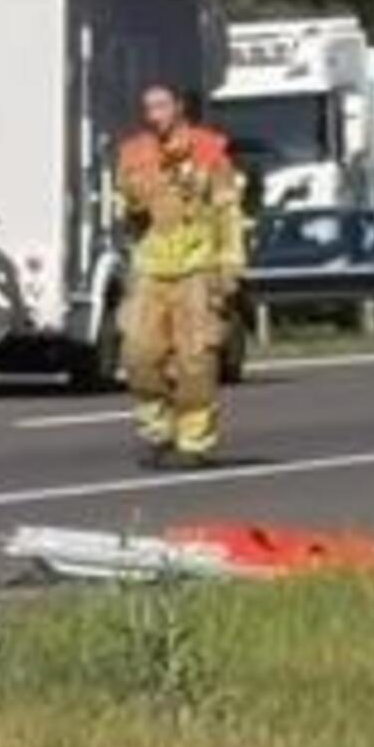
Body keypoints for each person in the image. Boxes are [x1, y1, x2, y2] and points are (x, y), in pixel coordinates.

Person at [114, 85, 244, 468]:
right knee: (139, 354)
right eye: (147, 108)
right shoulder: (135, 153)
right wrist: (131, 200)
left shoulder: (210, 151)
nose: (153, 115)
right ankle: (158, 431)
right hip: (151, 266)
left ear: (179, 108)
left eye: (161, 106)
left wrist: (230, 265)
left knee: (195, 358)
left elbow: (228, 212)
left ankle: (193, 441)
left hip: (196, 267)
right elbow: (125, 211)